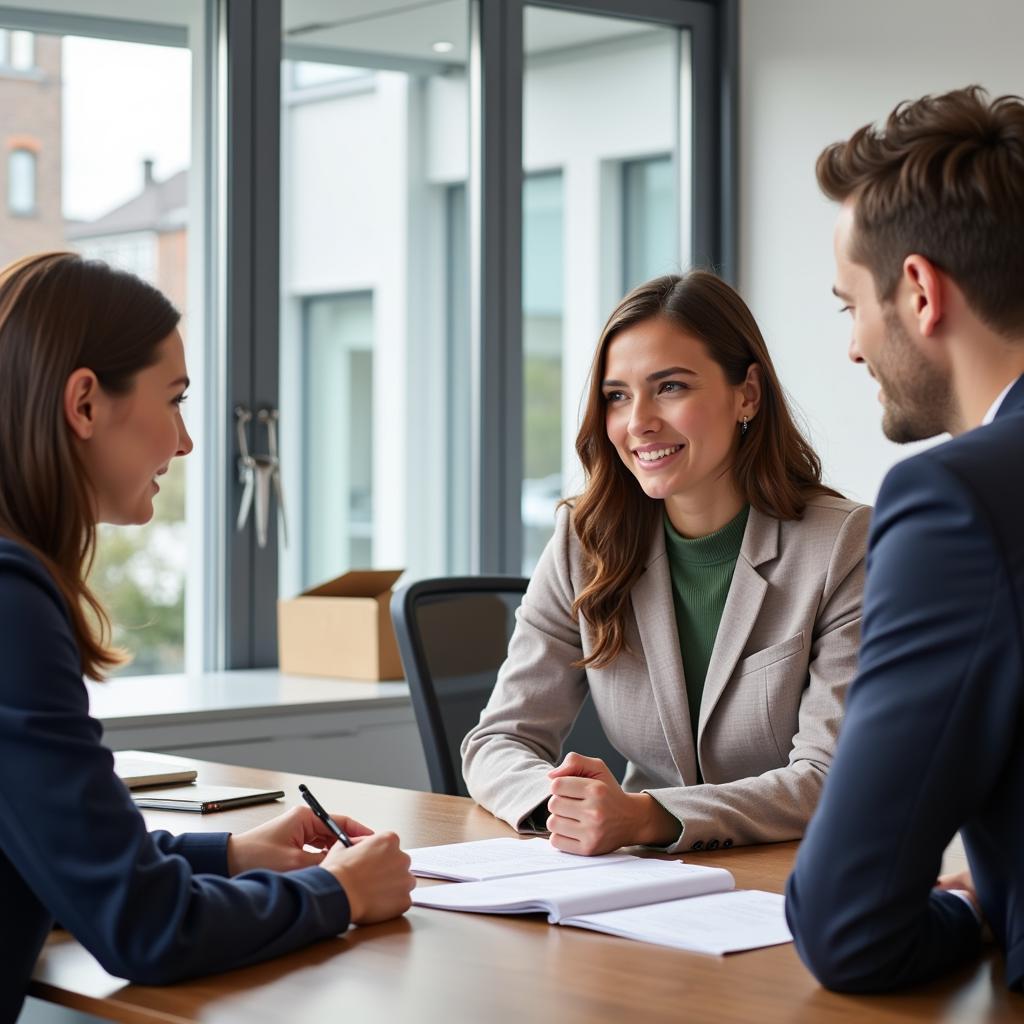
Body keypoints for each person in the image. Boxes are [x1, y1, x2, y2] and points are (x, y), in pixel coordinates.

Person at [0, 252, 415, 1024]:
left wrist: (228, 854)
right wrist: (340, 891)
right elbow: (145, 927)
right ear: (85, 403)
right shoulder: (10, 606)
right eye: (175, 400)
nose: (187, 443)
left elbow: (47, 850)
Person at [461, 270, 870, 856]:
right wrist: (564, 806)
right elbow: (499, 738)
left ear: (747, 393)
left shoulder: (843, 546)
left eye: (671, 387)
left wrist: (649, 816)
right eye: (617, 396)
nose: (638, 422)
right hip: (634, 882)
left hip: (794, 878)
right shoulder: (586, 540)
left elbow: (829, 777)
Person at [785, 86, 1024, 992]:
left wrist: (971, 906)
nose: (852, 348)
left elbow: (849, 927)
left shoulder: (957, 501)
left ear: (920, 292)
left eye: (851, 305)